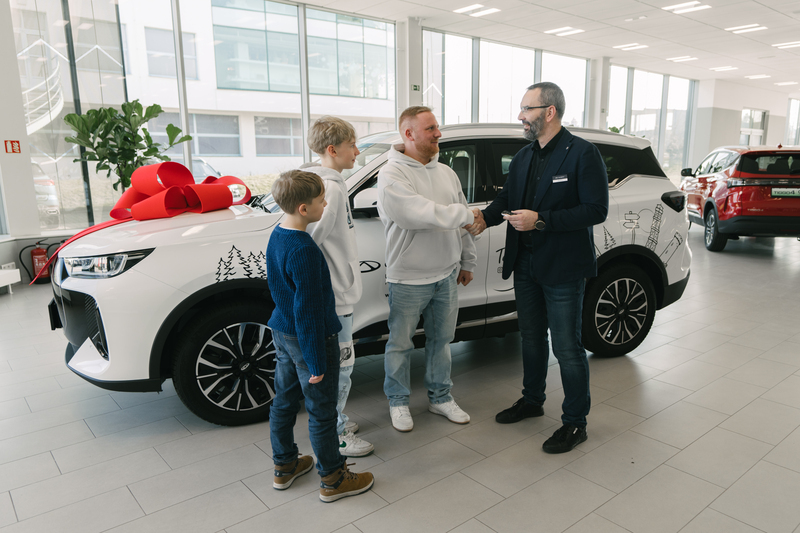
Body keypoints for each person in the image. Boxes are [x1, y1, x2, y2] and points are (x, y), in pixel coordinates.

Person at [471, 82, 609, 453]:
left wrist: (542, 220)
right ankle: (532, 400)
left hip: (563, 265)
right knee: (531, 338)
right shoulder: (523, 156)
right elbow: (507, 198)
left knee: (567, 347)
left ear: (549, 112)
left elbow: (596, 209)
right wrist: (484, 218)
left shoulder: (582, 153)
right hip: (525, 261)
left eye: (526, 109)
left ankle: (575, 423)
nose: (520, 116)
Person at [266, 170, 374, 502]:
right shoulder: (304, 249)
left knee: (283, 402)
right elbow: (309, 312)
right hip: (309, 340)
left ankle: (285, 465)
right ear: (304, 208)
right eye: (321, 201)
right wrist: (315, 363)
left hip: (282, 331)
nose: (326, 205)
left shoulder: (278, 234)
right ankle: (333, 478)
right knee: (322, 411)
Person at [377, 106, 479, 432]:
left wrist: (467, 260)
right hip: (408, 278)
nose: (438, 133)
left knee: (442, 341)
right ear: (409, 134)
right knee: (400, 345)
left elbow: (461, 221)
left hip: (446, 273)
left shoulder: (446, 172)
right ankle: (398, 402)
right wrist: (465, 214)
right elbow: (416, 214)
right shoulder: (391, 174)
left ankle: (440, 397)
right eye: (431, 128)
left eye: (437, 127)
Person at [303, 116, 373, 458]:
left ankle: (335, 420)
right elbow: (310, 241)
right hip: (334, 296)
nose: (357, 152)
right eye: (352, 146)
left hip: (336, 291)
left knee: (339, 365)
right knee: (341, 367)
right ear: (332, 150)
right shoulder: (329, 188)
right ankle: (335, 433)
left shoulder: (326, 183)